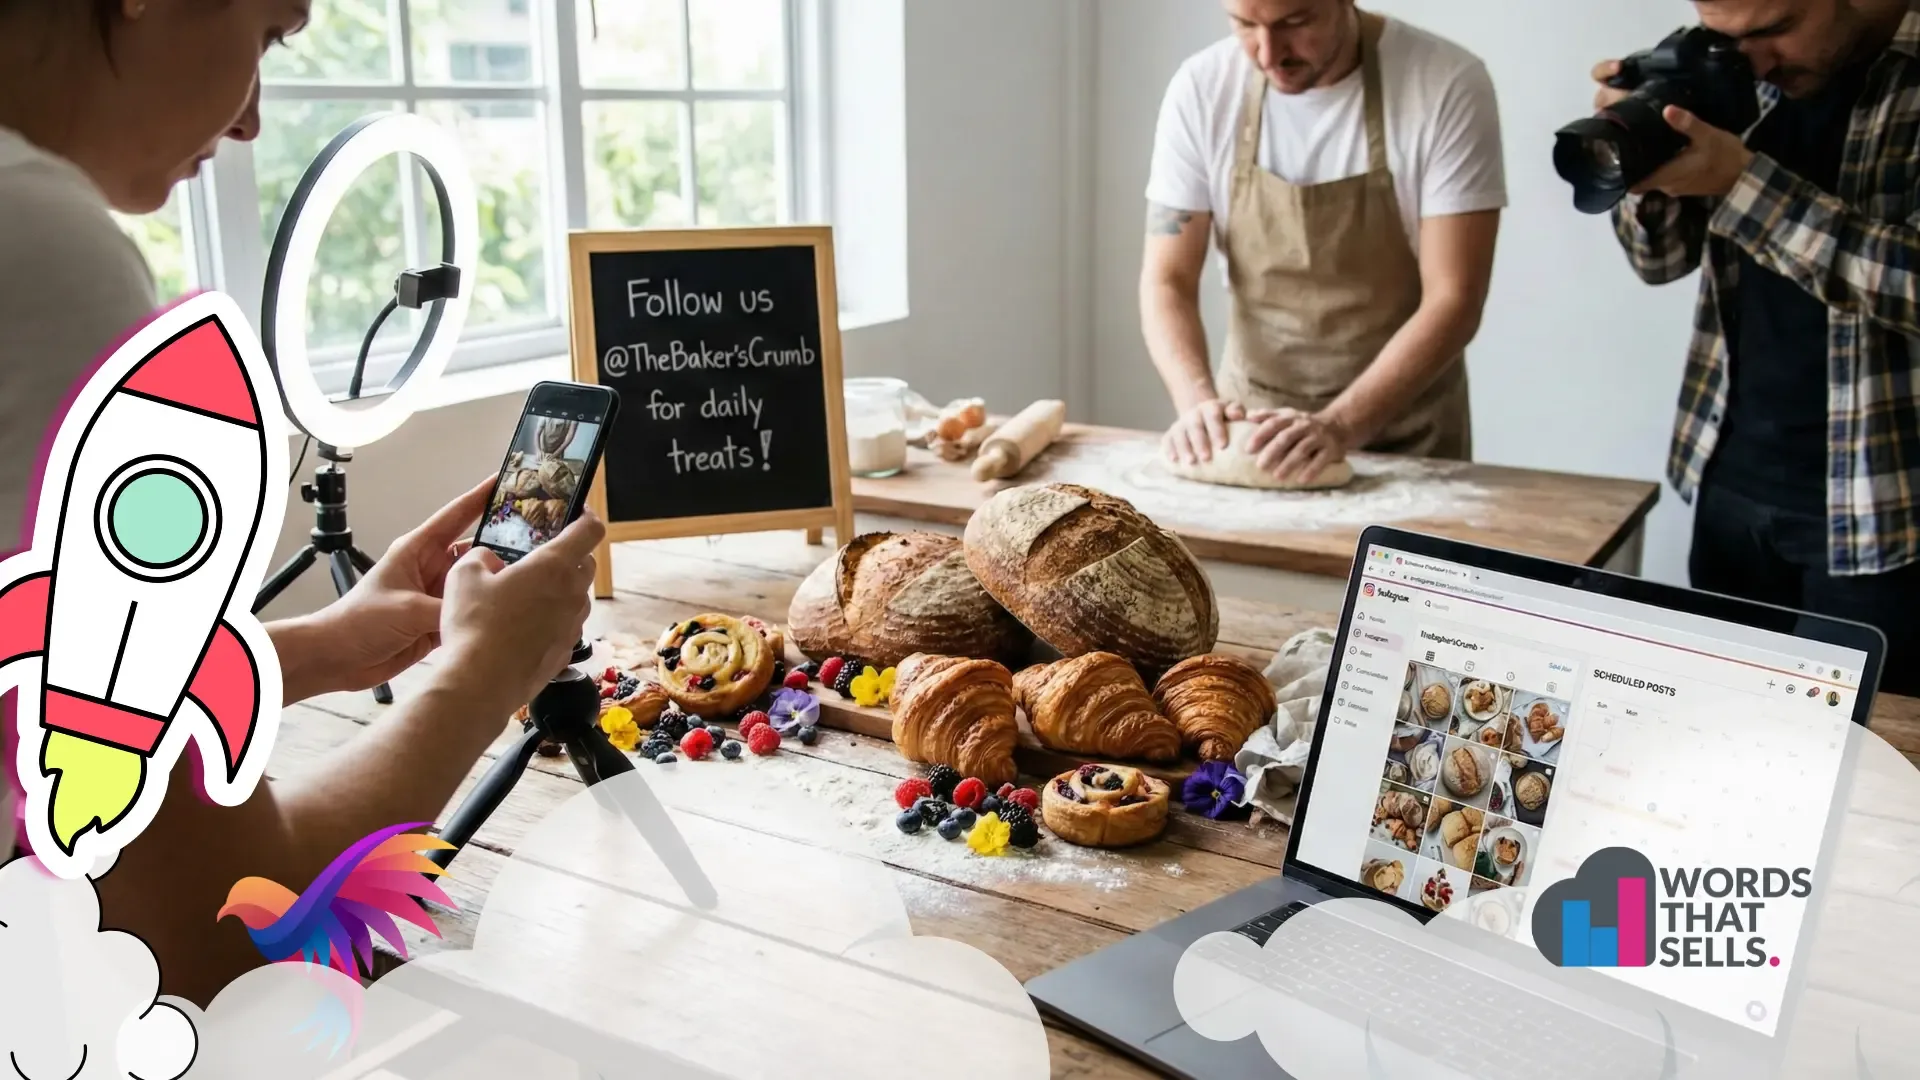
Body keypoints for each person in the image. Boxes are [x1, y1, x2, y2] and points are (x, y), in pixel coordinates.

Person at [0, 0, 604, 1006]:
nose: (251, 123)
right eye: (272, 33)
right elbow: (206, 941)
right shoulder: (37, 253)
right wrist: (484, 678)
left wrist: (318, 646)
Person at [1597, 0, 1920, 696]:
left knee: (1870, 773)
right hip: (1728, 477)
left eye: (1774, 30)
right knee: (1722, 739)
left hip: (1887, 510)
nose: (1754, 59)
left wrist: (1741, 182)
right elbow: (1660, 263)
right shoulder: (1731, 66)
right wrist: (1645, 161)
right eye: (1726, 36)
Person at [1144, 0, 1506, 484]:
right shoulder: (1202, 89)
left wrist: (1340, 424)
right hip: (1250, 434)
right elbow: (1167, 279)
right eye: (1245, 25)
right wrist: (1197, 406)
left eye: (1295, 22)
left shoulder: (1444, 83)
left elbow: (1455, 298)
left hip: (1408, 440)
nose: (1269, 53)